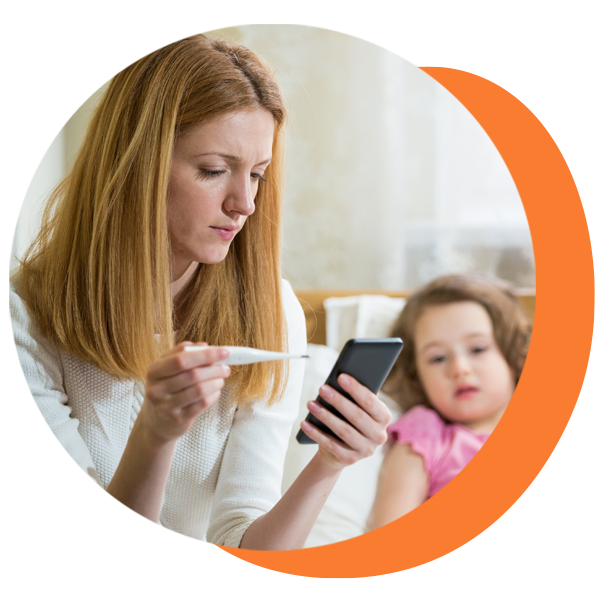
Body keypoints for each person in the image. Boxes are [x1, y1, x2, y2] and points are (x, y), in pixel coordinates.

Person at [10, 33, 391, 549]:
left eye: (257, 174)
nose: (245, 204)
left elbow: (244, 545)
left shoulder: (269, 307)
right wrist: (156, 432)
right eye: (214, 171)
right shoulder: (24, 314)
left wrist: (328, 464)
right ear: (135, 165)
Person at [369, 274, 530, 529]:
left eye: (477, 349)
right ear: (416, 375)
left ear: (514, 354)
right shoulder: (425, 435)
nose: (459, 369)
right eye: (438, 358)